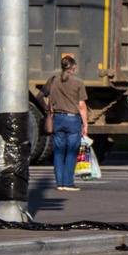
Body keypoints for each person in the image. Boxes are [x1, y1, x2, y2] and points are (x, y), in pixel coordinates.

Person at [41, 54, 88, 192]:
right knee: (71, 152)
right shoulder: (78, 83)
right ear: (73, 67)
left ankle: (60, 183)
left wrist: (47, 109)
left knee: (58, 152)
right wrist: (85, 124)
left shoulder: (53, 80)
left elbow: (39, 97)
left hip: (57, 119)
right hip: (73, 120)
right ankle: (68, 182)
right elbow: (81, 105)